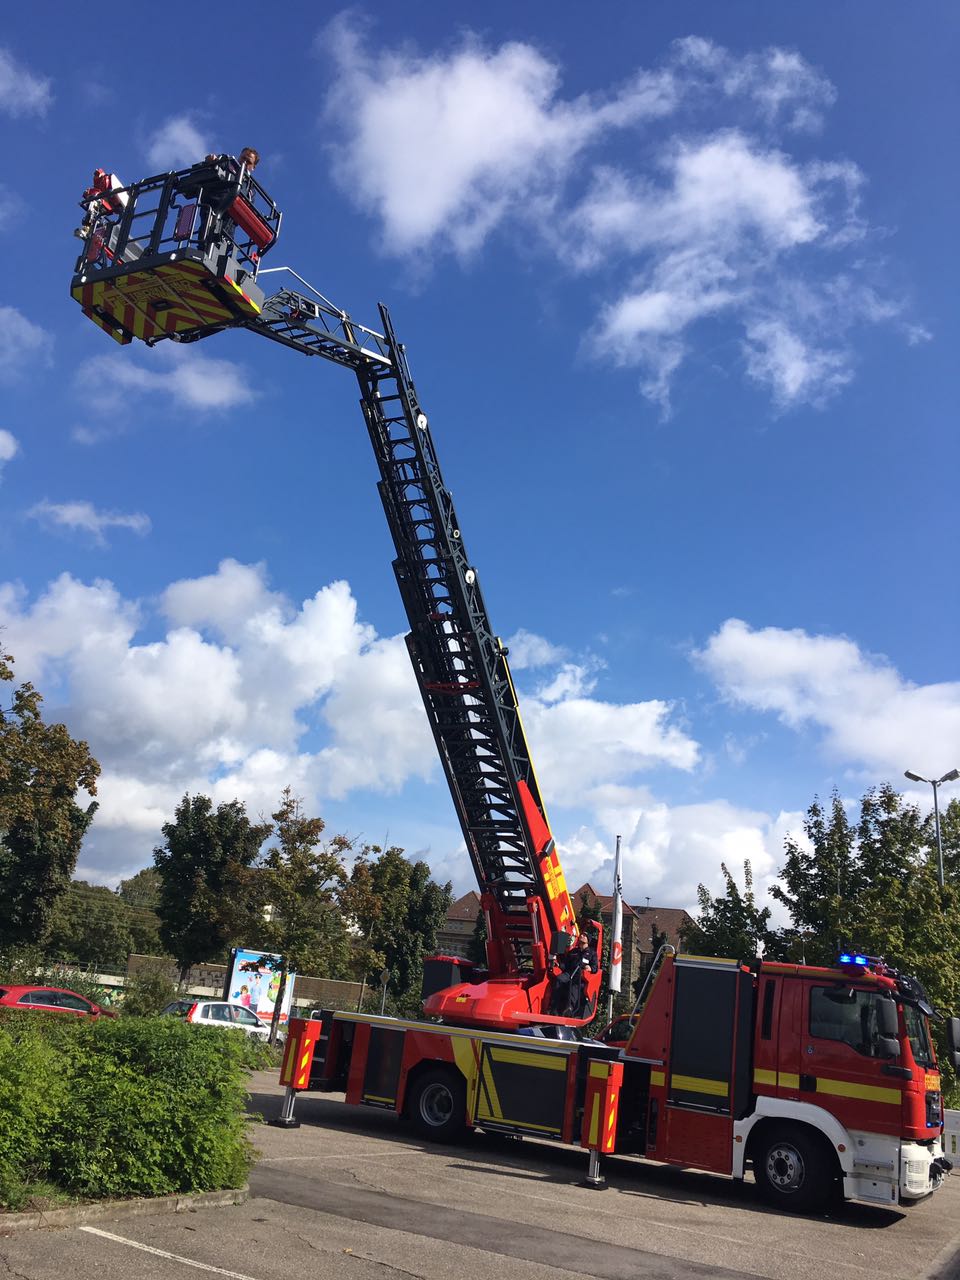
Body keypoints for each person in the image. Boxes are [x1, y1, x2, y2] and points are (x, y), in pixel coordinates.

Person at [550, 933, 598, 1017]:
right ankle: (554, 1008)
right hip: (569, 973)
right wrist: (558, 965)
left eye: (584, 935)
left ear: (588, 940)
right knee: (559, 979)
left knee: (574, 986)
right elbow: (566, 964)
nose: (581, 936)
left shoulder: (592, 953)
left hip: (580, 977)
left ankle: (569, 1010)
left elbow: (595, 968)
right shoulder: (573, 952)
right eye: (581, 935)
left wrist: (590, 968)